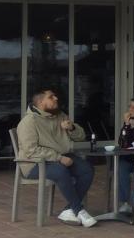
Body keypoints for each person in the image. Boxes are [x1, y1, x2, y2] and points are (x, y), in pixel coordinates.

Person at [16, 88, 96, 227]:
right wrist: (58, 158)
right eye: (51, 97)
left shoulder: (60, 115)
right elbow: (31, 150)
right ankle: (79, 210)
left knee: (87, 169)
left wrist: (71, 128)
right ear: (41, 102)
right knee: (61, 171)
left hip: (60, 158)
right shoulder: (28, 122)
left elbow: (81, 136)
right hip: (34, 163)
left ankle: (68, 210)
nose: (56, 99)